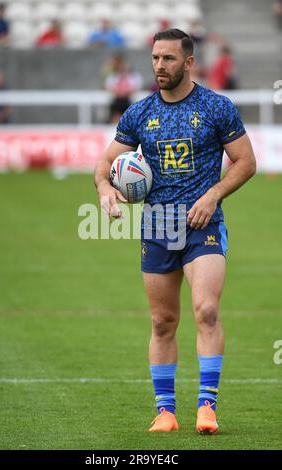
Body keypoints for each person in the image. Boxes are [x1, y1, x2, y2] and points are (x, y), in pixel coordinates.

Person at [94, 29, 256, 434]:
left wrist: (213, 195)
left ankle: (207, 406)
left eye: (167, 59)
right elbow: (105, 164)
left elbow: (245, 162)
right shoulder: (138, 113)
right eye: (154, 58)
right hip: (157, 226)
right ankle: (165, 411)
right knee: (163, 321)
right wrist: (105, 190)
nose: (159, 66)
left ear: (188, 63)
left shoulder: (216, 107)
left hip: (203, 225)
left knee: (207, 310)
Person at [104, 54, 143, 123]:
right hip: (117, 100)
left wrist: (125, 92)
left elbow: (136, 87)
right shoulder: (113, 76)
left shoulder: (134, 76)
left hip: (128, 99)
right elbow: (110, 87)